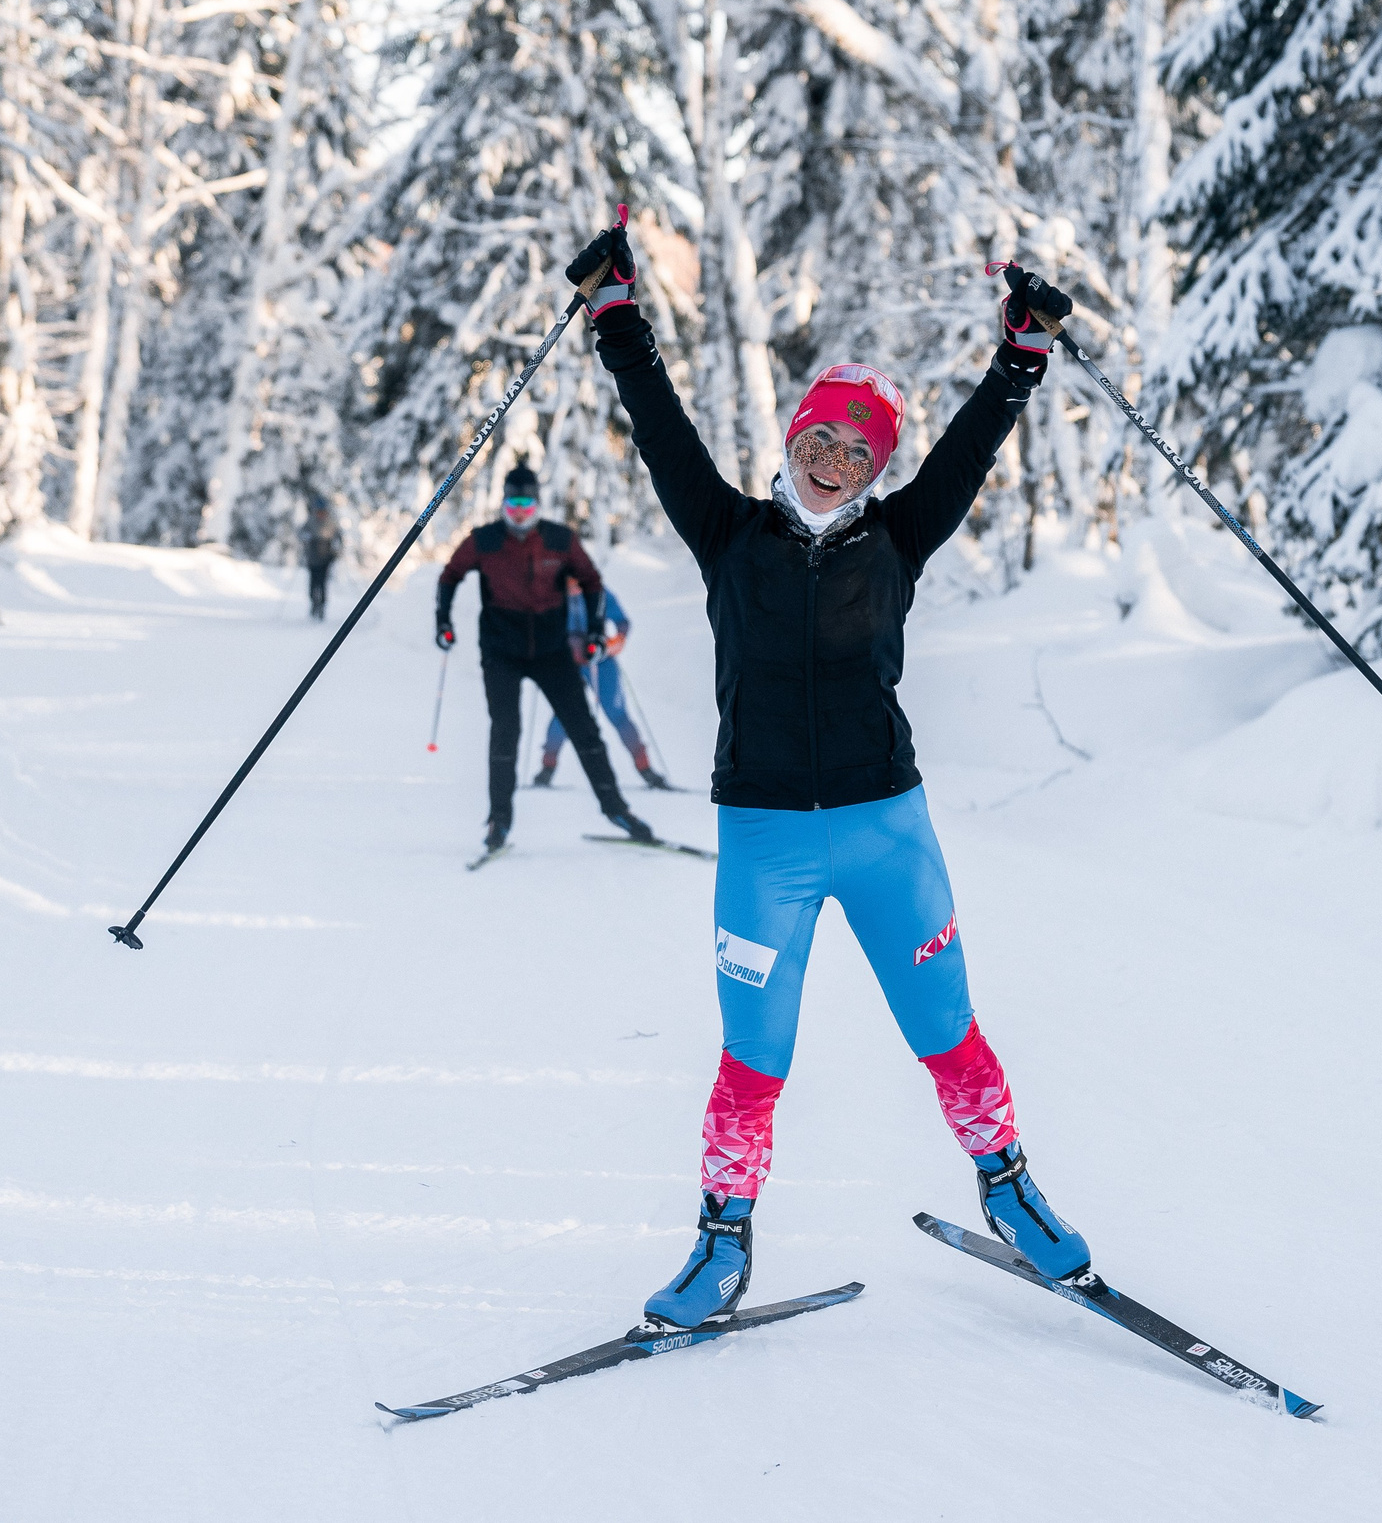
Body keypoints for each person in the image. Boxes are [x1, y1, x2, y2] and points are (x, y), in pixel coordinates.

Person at [562, 217, 1089, 1330]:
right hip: (764, 840)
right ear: (795, 435)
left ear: (875, 464)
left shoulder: (896, 539)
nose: (837, 457)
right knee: (753, 1056)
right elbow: (659, 431)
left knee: (947, 1026)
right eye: (824, 437)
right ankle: (718, 1243)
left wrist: (1021, 353)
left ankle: (1009, 1189)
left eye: (860, 448)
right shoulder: (728, 533)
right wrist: (618, 315)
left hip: (886, 826)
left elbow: (969, 451)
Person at [435, 463, 654, 854]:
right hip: (501, 650)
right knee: (506, 731)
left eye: (527, 502)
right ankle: (498, 820)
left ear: (537, 504)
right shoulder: (484, 541)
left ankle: (617, 810)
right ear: (503, 504)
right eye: (513, 502)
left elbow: (592, 583)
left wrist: (594, 633)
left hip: (551, 651)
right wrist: (443, 621)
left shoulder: (559, 539)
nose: (519, 510)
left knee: (585, 730)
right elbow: (450, 576)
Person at [535, 588, 672, 791]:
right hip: (568, 662)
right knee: (564, 714)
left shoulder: (598, 592)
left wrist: (613, 643)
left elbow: (622, 623)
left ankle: (646, 769)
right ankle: (547, 768)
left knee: (617, 713)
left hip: (601, 661)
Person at [298, 497, 342, 621]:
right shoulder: (310, 522)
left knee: (322, 583)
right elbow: (301, 533)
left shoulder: (331, 522)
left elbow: (339, 537)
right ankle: (313, 603)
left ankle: (322, 605)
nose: (321, 514)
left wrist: (336, 548)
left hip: (326, 558)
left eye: (323, 511)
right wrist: (307, 537)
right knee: (313, 583)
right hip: (312, 557)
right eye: (319, 511)